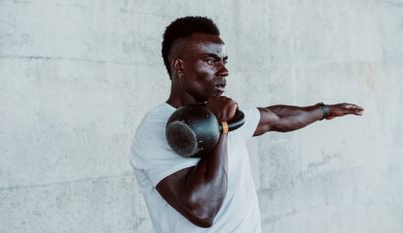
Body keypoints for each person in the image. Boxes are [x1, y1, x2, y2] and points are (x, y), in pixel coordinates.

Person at [130, 16, 364, 233]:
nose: (224, 70)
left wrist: (323, 111)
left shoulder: (223, 114)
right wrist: (221, 126)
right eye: (211, 60)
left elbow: (276, 118)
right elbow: (201, 211)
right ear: (179, 67)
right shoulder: (155, 129)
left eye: (224, 61)